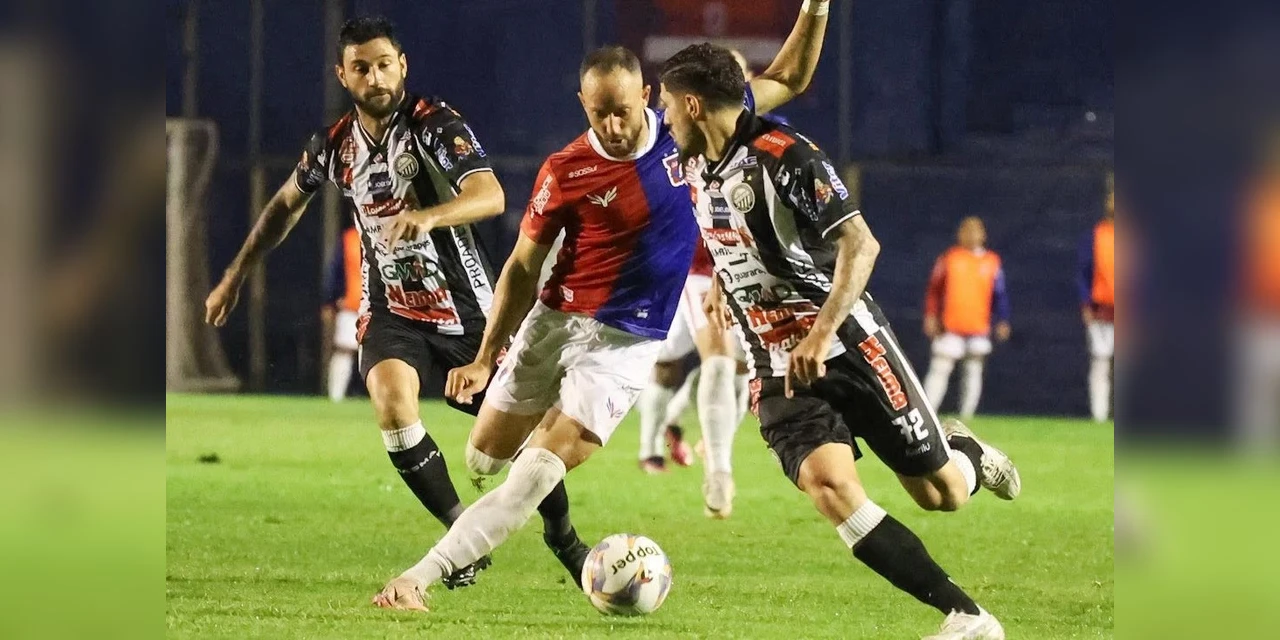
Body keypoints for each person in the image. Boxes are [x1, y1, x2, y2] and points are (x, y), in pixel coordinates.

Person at [372, 0, 832, 611]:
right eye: (600, 113)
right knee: (482, 456)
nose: (614, 124)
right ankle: (546, 462)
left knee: (534, 473)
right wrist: (485, 358)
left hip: (625, 343)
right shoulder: (565, 171)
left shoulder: (687, 130)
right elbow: (521, 268)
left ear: (647, 94)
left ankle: (420, 579)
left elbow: (790, 77)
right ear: (583, 106)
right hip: (554, 323)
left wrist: (816, 8)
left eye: (624, 109)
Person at [203, 16, 585, 588]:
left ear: (402, 66)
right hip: (392, 312)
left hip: (467, 313)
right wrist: (234, 275)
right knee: (391, 403)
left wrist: (429, 215)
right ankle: (462, 538)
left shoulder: (435, 125)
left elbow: (490, 194)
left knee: (524, 441)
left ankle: (564, 537)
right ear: (343, 74)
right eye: (361, 67)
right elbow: (286, 204)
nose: (375, 77)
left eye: (384, 64)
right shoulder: (333, 146)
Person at [657, 42, 1019, 639]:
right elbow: (727, 227)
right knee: (829, 488)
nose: (663, 121)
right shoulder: (691, 158)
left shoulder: (788, 157)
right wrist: (728, 275)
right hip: (775, 365)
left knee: (942, 493)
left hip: (849, 342)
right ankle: (968, 617)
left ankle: (970, 457)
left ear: (694, 105)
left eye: (668, 107)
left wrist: (820, 333)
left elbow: (862, 245)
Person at [921, 216, 1011, 418]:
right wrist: (931, 316)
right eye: (967, 230)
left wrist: (1003, 320)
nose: (971, 235)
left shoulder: (991, 262)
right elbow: (934, 290)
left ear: (983, 235)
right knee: (940, 369)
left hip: (978, 325)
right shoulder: (949, 258)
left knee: (973, 371)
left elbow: (1000, 295)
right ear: (959, 234)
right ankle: (928, 412)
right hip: (950, 325)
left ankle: (967, 415)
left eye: (975, 231)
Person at [1079, 188, 1115, 422]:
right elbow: (1082, 272)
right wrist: (1085, 304)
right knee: (1100, 364)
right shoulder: (1095, 235)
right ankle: (1099, 417)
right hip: (1101, 310)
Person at [322, 222, 363, 401]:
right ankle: (336, 397)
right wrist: (330, 300)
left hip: (381, 307)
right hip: (352, 305)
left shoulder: (387, 234)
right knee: (345, 350)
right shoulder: (349, 239)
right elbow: (336, 271)